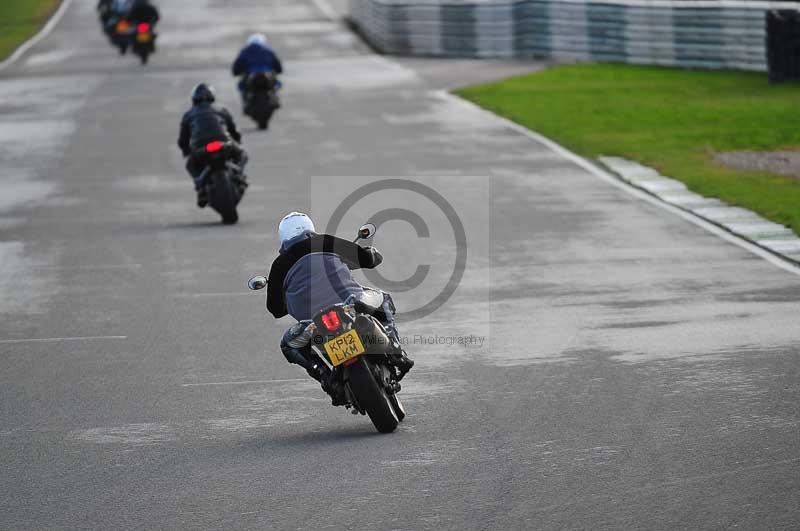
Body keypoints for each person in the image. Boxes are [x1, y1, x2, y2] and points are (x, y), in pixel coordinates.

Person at [266, 212, 414, 405]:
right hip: (349, 305)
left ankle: (327, 379)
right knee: (383, 299)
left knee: (288, 344)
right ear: (309, 230)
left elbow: (275, 309)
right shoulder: (324, 242)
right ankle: (396, 353)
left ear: (283, 239)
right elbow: (366, 258)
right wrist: (370, 255)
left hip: (312, 324)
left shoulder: (278, 266)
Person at [177, 84, 247, 207]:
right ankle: (239, 175)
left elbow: (183, 139)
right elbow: (233, 130)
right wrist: (237, 140)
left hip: (201, 148)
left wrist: (186, 151)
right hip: (224, 143)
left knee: (190, 164)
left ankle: (200, 187)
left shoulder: (188, 114)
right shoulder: (221, 109)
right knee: (242, 154)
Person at [232, 34, 283, 99]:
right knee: (277, 84)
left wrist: (237, 72)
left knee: (241, 87)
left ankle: (246, 100)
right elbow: (278, 68)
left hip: (250, 79)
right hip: (267, 78)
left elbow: (236, 68)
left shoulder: (244, 52)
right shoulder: (269, 51)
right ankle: (274, 98)